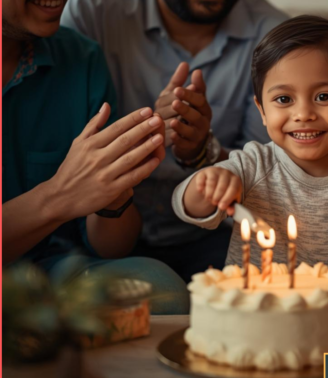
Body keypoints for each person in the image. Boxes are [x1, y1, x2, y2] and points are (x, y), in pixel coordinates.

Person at [172, 16, 328, 312]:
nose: (304, 113)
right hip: (253, 321)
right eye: (284, 99)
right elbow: (187, 208)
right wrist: (205, 187)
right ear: (262, 110)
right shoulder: (252, 165)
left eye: (324, 96)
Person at [62, 0, 289, 281]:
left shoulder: (275, 34)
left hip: (216, 233)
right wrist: (143, 140)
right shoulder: (91, 15)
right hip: (99, 229)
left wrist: (202, 151)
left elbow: (270, 175)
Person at [2, 0, 187, 313]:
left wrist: (114, 195)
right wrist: (58, 197)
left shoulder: (81, 57)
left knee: (162, 290)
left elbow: (112, 248)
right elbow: (63, 195)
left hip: (55, 274)